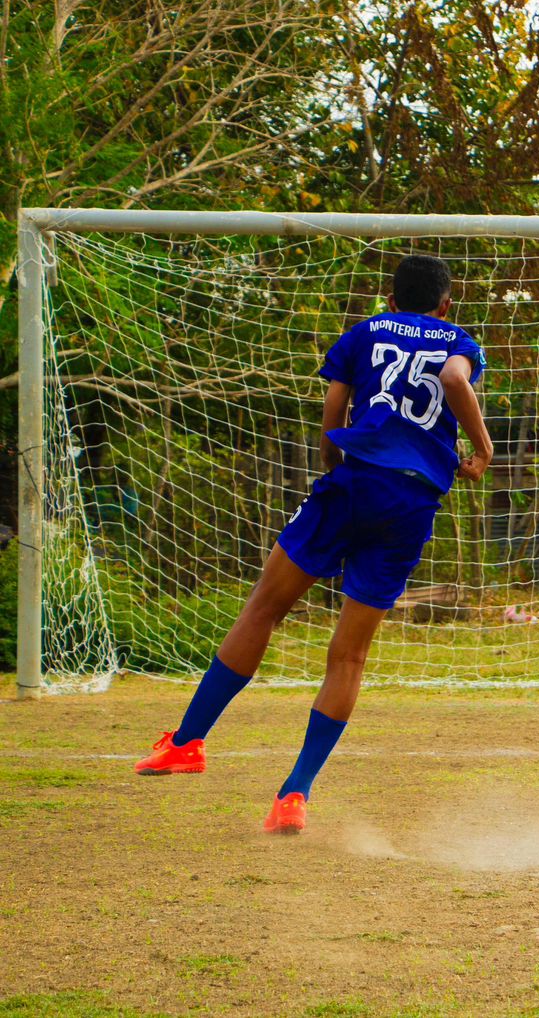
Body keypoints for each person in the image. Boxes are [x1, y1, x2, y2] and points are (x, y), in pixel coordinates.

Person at [133, 255, 492, 834]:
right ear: (446, 305)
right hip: (412, 502)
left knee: (265, 608)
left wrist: (332, 458)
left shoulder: (367, 330)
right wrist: (482, 447)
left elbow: (335, 411)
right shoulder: (460, 339)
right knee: (349, 654)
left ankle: (189, 741)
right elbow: (453, 379)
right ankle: (294, 794)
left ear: (391, 298)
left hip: (354, 484)